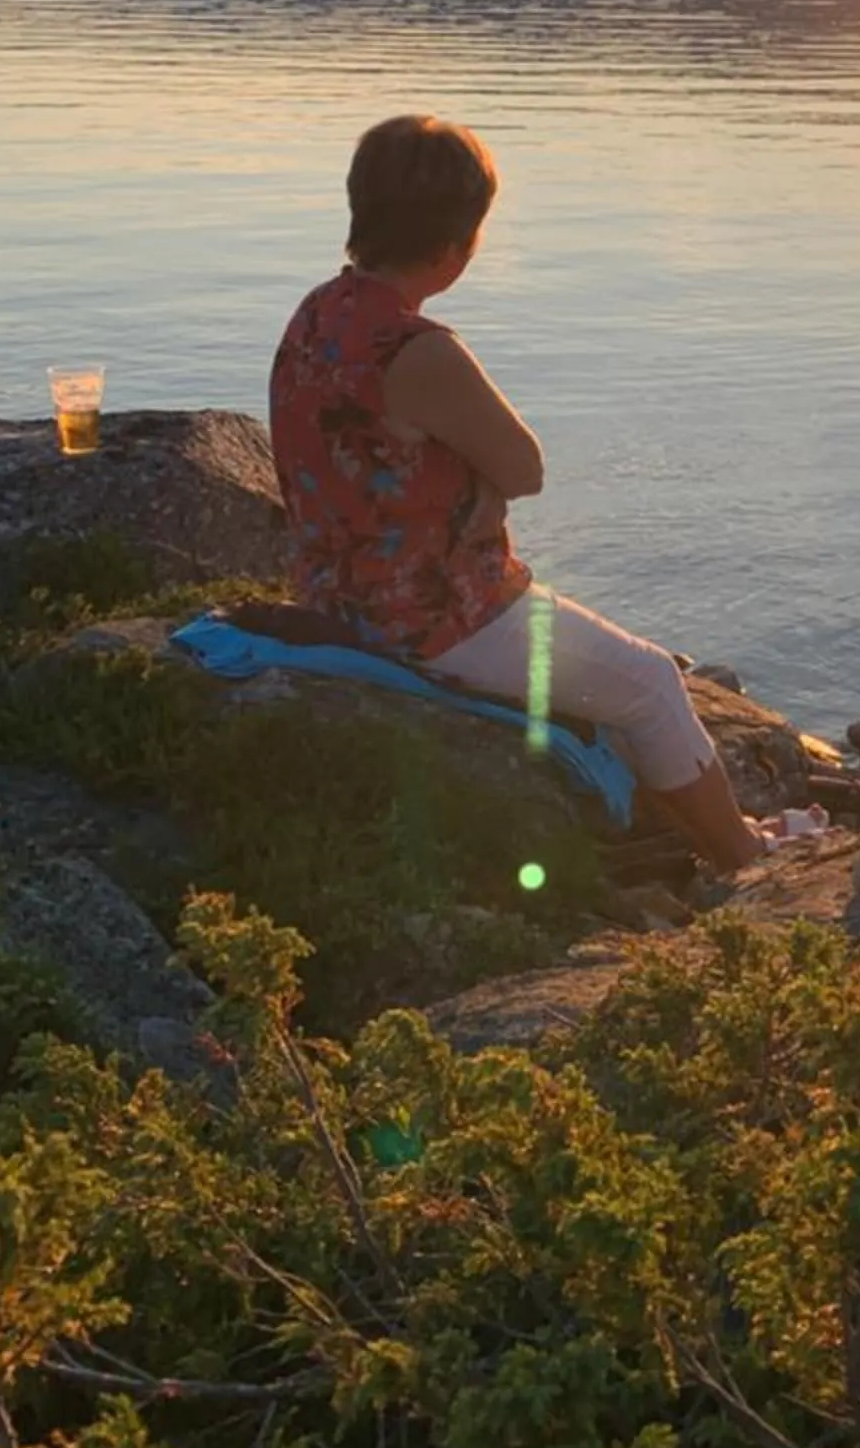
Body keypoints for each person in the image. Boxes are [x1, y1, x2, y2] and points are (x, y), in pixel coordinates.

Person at [269, 113, 761, 877]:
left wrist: (469, 491)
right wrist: (486, 492)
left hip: (334, 595)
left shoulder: (318, 313)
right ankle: (748, 862)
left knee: (616, 685)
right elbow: (525, 468)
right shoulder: (417, 350)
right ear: (454, 244)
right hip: (433, 618)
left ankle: (671, 840)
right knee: (652, 683)